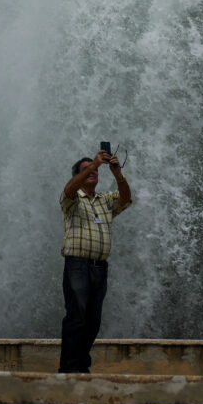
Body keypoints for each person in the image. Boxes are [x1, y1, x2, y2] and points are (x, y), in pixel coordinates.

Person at [57, 147, 132, 374]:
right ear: (77, 175)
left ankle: (80, 365)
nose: (93, 173)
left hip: (100, 268)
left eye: (95, 170)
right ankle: (69, 369)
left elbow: (126, 198)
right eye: (86, 170)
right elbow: (69, 190)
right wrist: (95, 163)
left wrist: (118, 174)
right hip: (77, 265)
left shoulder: (104, 200)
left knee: (93, 321)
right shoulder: (72, 198)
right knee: (76, 317)